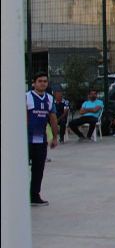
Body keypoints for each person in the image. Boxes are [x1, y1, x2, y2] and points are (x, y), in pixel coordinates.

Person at [27, 72, 59, 206]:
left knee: (38, 169)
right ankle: (15, 195)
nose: (43, 83)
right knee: (18, 170)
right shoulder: (26, 97)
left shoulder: (50, 99)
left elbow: (52, 119)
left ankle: (34, 196)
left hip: (40, 141)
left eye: (45, 81)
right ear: (34, 83)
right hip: (25, 141)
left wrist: (55, 137)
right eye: (40, 81)